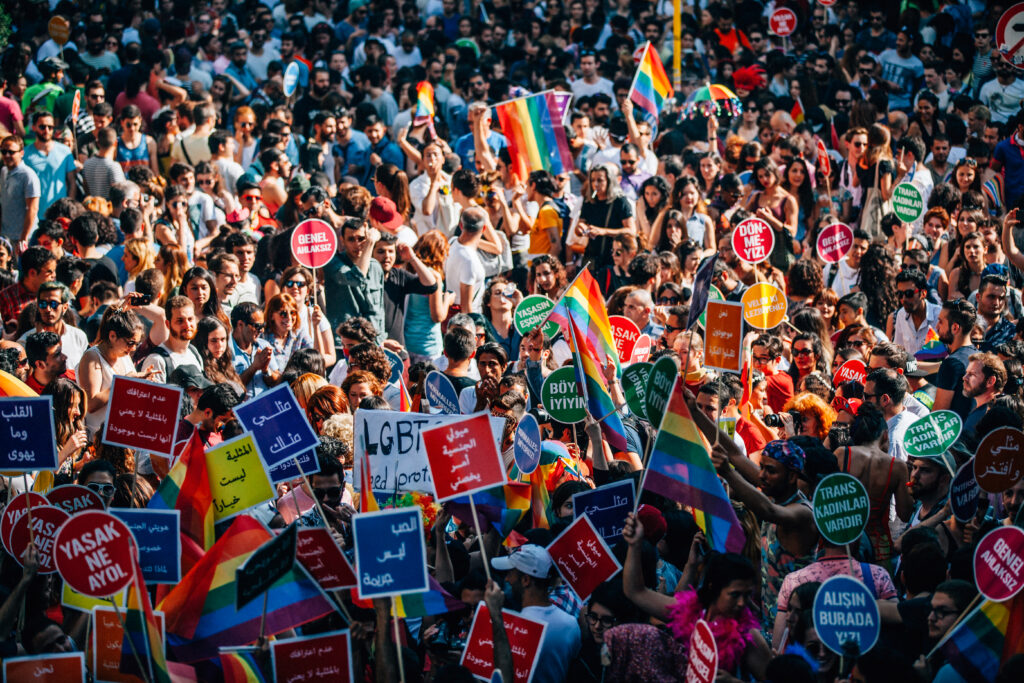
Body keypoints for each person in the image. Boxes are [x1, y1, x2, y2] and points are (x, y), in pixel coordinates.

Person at [491, 544, 581, 683]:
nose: (507, 579)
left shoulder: (514, 628)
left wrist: (494, 613)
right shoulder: (571, 625)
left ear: (526, 580)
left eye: (510, 573)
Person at [933, 298, 979, 419]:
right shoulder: (981, 357)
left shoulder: (951, 364)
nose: (937, 327)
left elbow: (938, 415)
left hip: (955, 436)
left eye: (940, 322)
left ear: (955, 328)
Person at [0, 135, 40, 247]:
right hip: (6, 236)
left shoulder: (28, 175)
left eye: (11, 152)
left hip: (24, 238)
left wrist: (24, 237)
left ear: (21, 153)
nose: (7, 155)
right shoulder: (4, 171)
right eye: (4, 151)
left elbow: (32, 208)